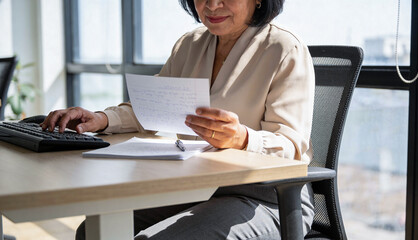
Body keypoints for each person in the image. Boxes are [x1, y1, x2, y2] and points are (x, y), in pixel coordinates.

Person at [43, 0, 315, 239]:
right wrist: (101, 118)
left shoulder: (284, 48)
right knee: (91, 232)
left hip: (267, 198)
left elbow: (291, 146)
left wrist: (243, 138)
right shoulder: (190, 45)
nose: (212, 5)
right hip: (197, 188)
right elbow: (152, 108)